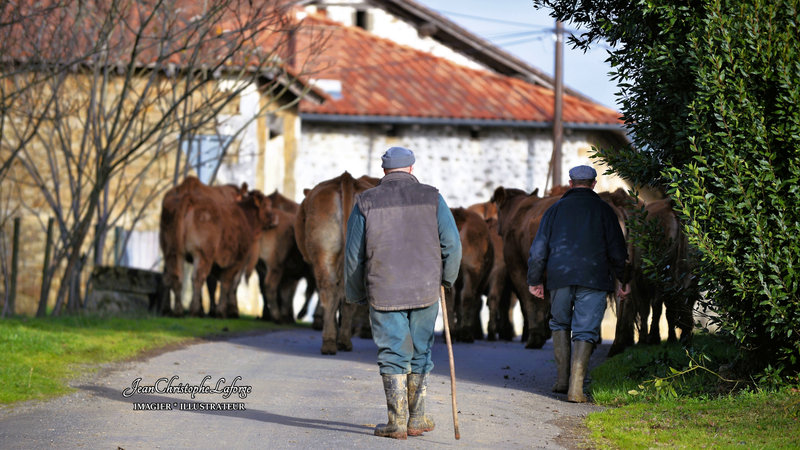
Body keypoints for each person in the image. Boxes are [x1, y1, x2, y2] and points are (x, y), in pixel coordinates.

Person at [344, 146, 462, 440]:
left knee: (393, 353)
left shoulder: (365, 201)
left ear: (384, 171)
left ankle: (396, 422)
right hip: (425, 288)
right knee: (421, 350)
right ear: (411, 168)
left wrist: (357, 293)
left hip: (384, 289)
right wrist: (446, 279)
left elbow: (353, 256)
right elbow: (453, 245)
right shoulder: (432, 196)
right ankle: (417, 418)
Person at [527, 165, 630, 403]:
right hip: (594, 279)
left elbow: (538, 251)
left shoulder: (553, 211)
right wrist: (623, 279)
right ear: (594, 184)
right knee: (585, 330)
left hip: (559, 278)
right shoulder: (606, 212)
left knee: (559, 323)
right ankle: (575, 389)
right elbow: (618, 251)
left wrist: (535, 280)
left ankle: (562, 380)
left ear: (571, 183)